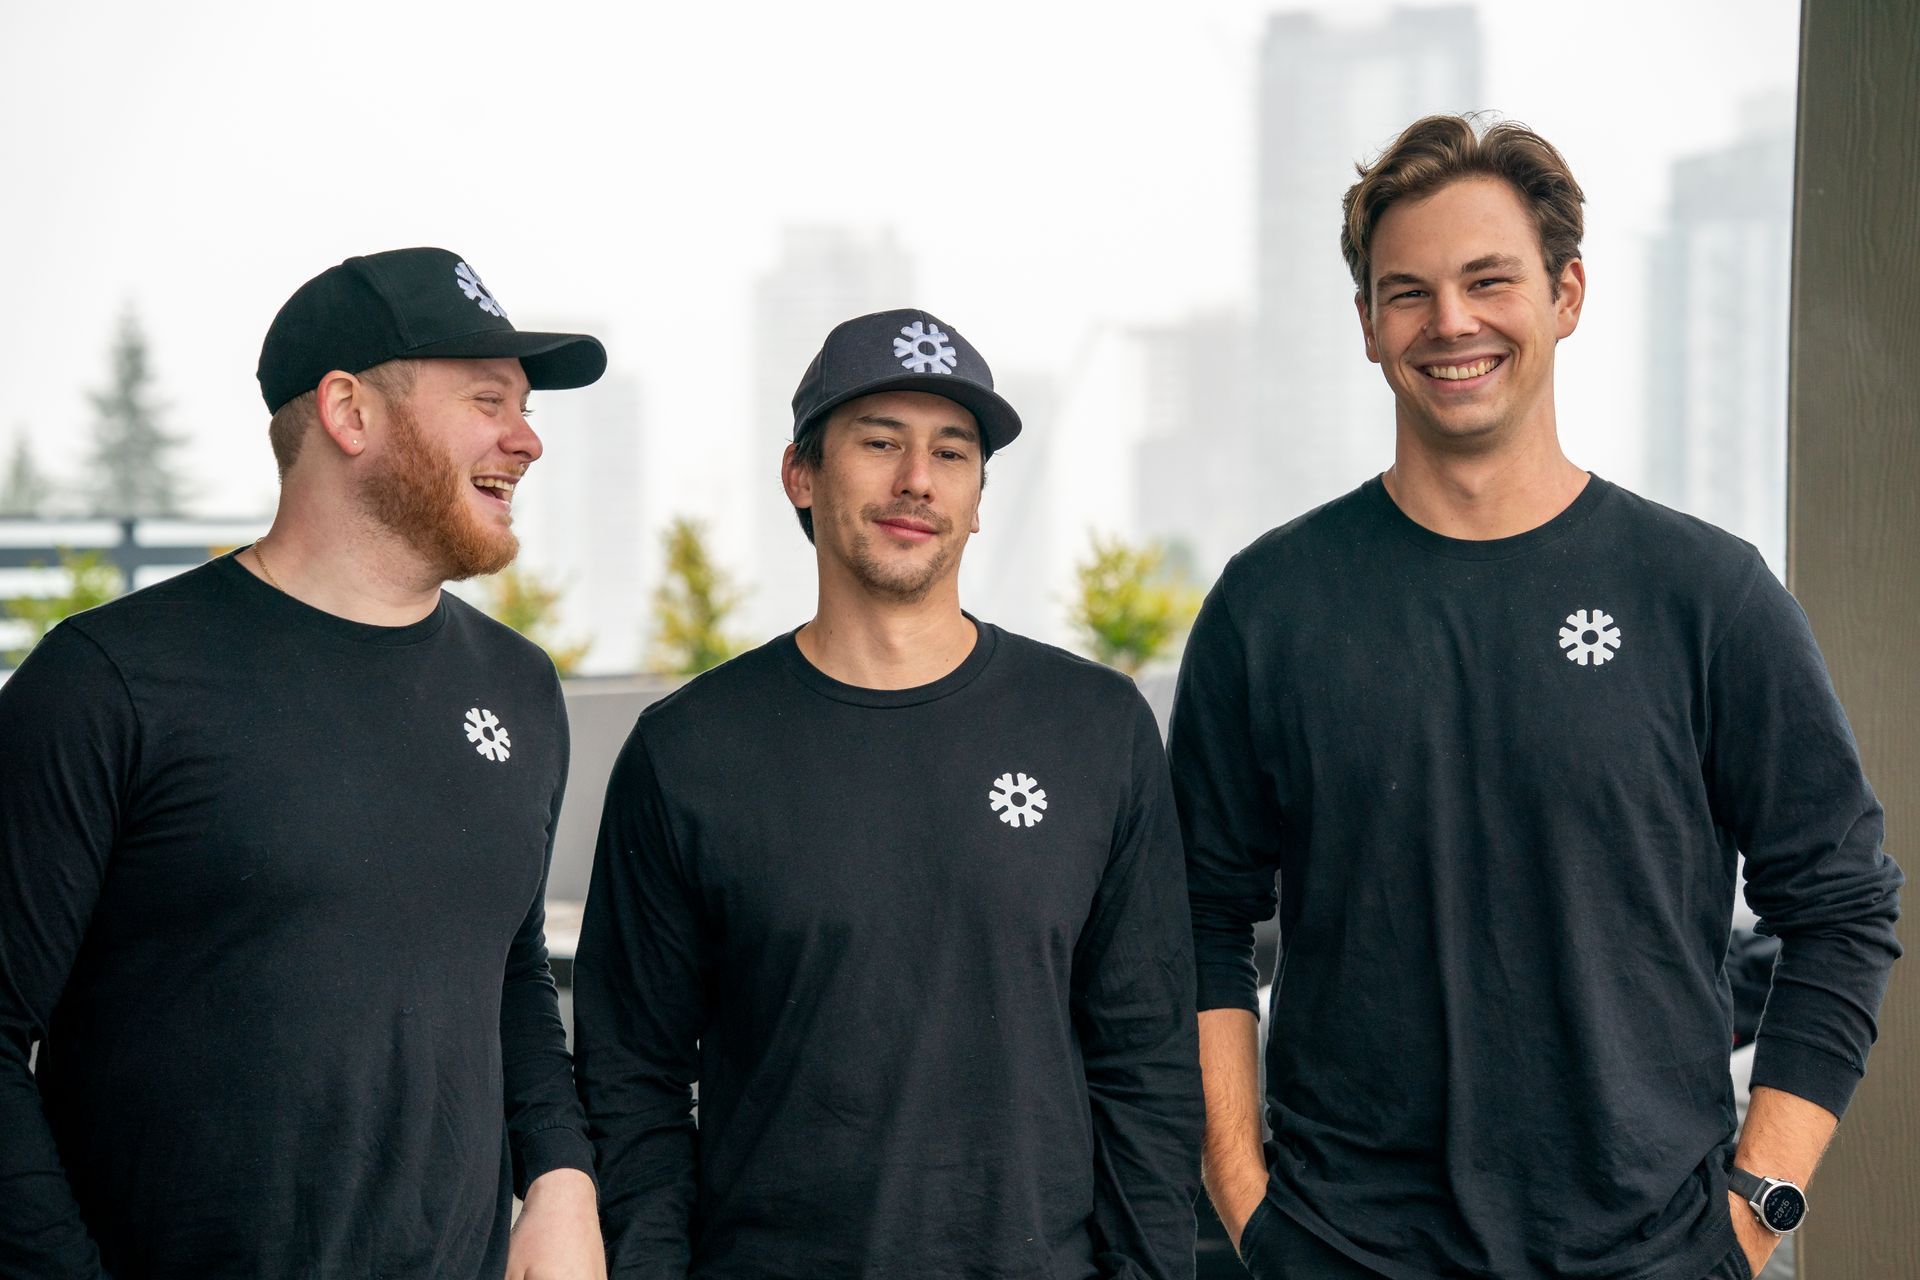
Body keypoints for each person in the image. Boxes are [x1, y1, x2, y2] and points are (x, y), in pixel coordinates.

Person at [1171, 116, 1903, 1280]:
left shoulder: (1704, 594)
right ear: (1367, 326)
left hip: (1650, 1253)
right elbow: (1199, 920)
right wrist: (1248, 1201)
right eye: (1407, 291)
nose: (1451, 321)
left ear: (1566, 293)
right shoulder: (1273, 605)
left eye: (1488, 280)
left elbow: (1844, 906)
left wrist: (1750, 1215)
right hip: (1340, 1252)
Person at [0, 247, 611, 1279]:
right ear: (349, 411)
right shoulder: (110, 681)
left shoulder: (517, 685)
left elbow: (504, 965)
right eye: (487, 400)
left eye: (525, 406)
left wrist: (560, 1176)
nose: (528, 438)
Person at [573, 309, 1204, 1279]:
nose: (918, 478)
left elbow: (1146, 1067)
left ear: (980, 497)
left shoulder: (1094, 728)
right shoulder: (688, 751)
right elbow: (634, 1081)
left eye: (952, 451)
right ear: (801, 473)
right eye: (879, 442)